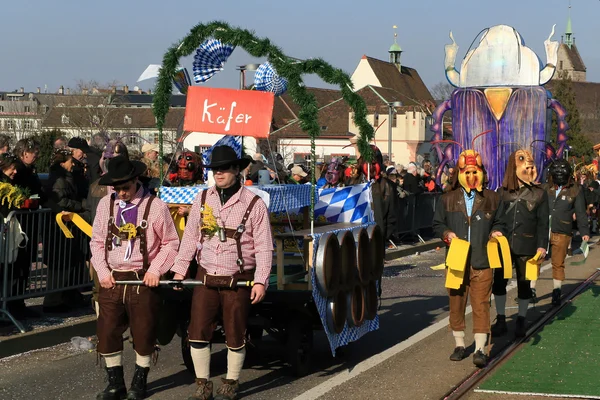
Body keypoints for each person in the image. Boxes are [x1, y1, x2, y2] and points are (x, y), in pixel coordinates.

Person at [171, 145, 273, 400]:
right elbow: (190, 238)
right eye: (215, 169)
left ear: (237, 170)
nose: (219, 173)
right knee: (196, 332)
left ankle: (231, 380)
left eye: (224, 168)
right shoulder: (203, 198)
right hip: (206, 275)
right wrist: (180, 271)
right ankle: (203, 383)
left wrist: (260, 282)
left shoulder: (254, 203)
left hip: (237, 277)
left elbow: (263, 247)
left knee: (236, 332)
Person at [89, 155, 179, 400]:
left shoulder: (155, 206)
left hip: (142, 277)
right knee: (107, 331)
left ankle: (139, 382)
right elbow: (96, 242)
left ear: (136, 180)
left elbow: (171, 244)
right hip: (113, 278)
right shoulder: (106, 205)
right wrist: (103, 272)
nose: (121, 193)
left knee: (143, 331)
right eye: (116, 188)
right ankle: (115, 383)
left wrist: (155, 270)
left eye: (125, 188)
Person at [433, 149, 505, 368]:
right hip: (456, 261)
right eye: (467, 171)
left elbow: (500, 221)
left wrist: (496, 231)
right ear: (459, 173)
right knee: (456, 302)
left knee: (481, 304)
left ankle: (481, 349)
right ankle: (459, 344)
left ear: (482, 172)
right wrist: (446, 234)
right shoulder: (447, 199)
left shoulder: (492, 198)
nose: (472, 176)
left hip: (482, 261)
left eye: (476, 171)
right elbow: (438, 224)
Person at [491, 150, 549, 338]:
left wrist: (542, 245)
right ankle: (500, 319)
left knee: (524, 285)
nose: (529, 165)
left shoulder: (540, 194)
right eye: (523, 161)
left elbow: (543, 223)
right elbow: (496, 219)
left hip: (528, 246)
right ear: (513, 166)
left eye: (531, 162)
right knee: (499, 283)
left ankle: (521, 320)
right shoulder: (502, 192)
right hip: (504, 247)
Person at [42, 148, 90, 313]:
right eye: (70, 161)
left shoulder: (66, 178)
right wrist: (82, 206)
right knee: (59, 265)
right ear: (63, 163)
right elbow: (61, 201)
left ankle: (65, 296)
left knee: (68, 262)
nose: (72, 165)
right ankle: (53, 301)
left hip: (66, 227)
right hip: (59, 227)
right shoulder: (59, 180)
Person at [542, 158, 589, 306]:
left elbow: (581, 212)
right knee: (535, 260)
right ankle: (530, 290)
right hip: (543, 230)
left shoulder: (575, 190)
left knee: (558, 262)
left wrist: (584, 231)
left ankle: (556, 291)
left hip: (562, 230)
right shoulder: (544, 188)